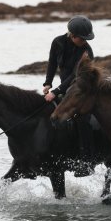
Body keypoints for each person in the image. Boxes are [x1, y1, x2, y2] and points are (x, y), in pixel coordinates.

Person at [43, 15, 96, 177]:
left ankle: (87, 162)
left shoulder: (86, 51)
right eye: (83, 39)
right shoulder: (57, 42)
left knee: (82, 119)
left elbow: (74, 75)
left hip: (81, 89)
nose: (85, 41)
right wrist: (47, 84)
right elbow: (52, 63)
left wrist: (56, 92)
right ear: (72, 36)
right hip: (63, 89)